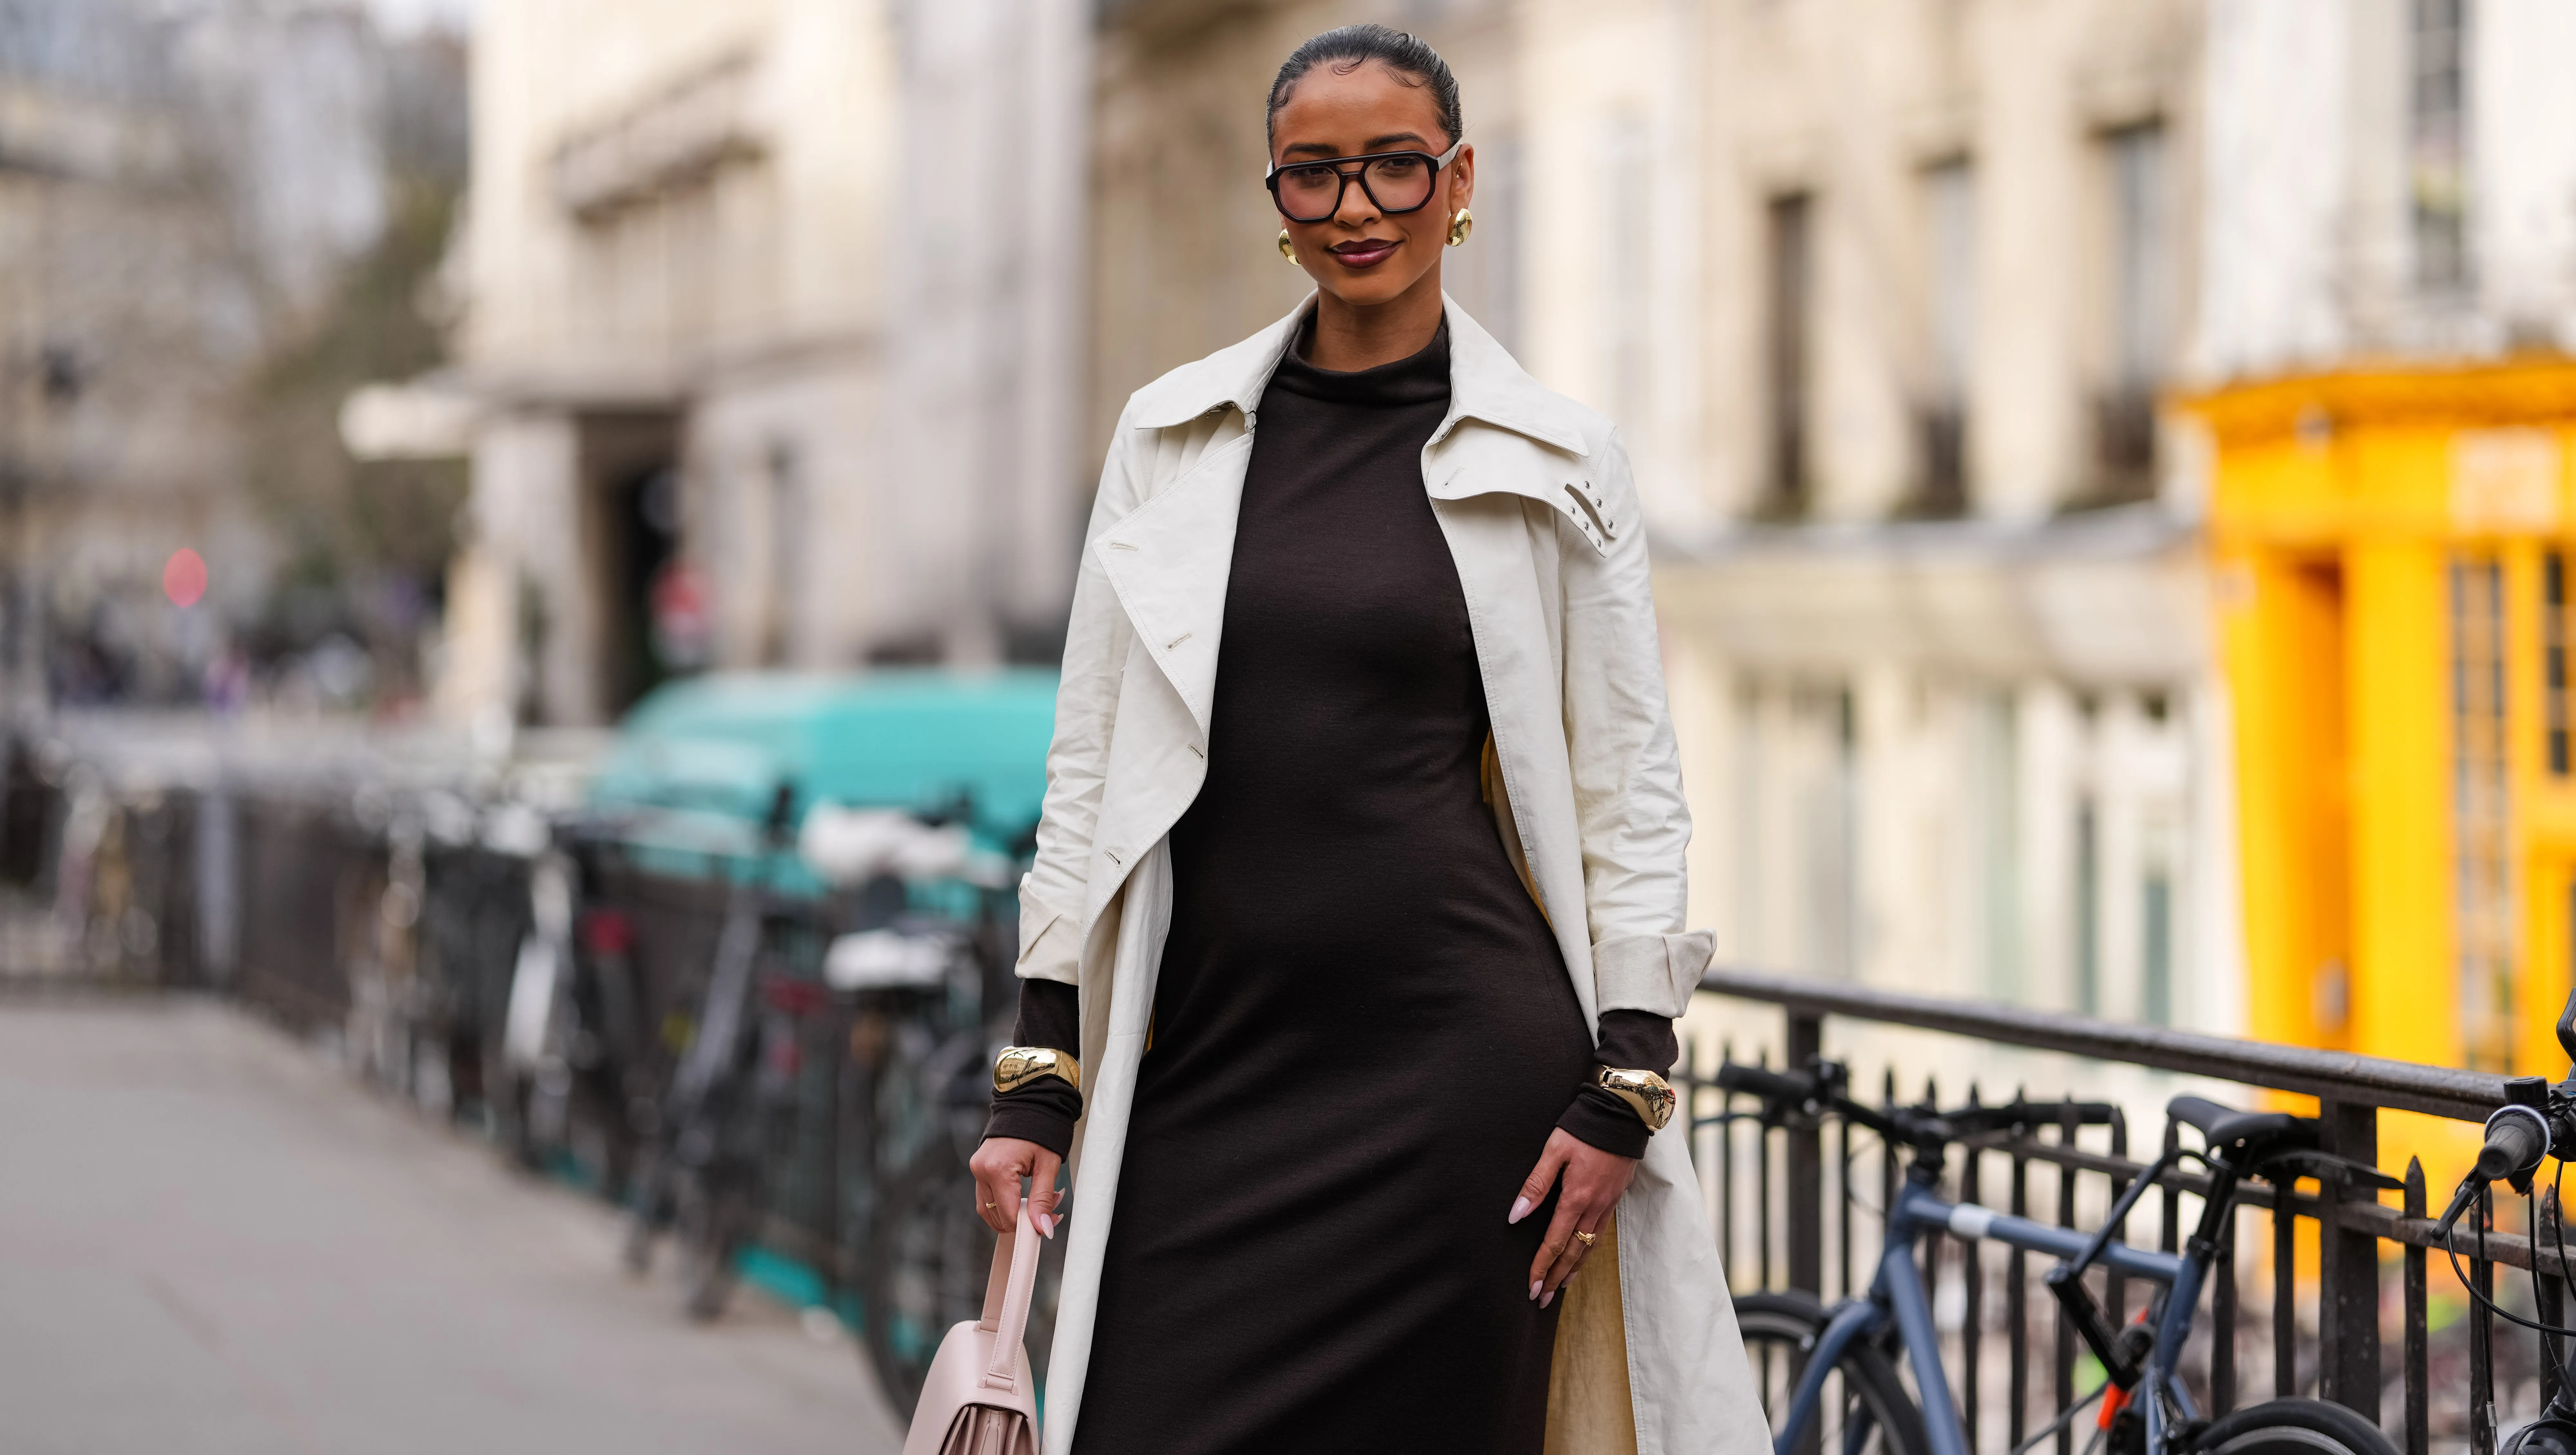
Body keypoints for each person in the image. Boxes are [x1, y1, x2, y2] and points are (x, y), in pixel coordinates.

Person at [969, 24, 1764, 1455]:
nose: (1356, 206)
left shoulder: (1557, 457)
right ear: (1275, 197)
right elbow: (1088, 763)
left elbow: (1627, 782)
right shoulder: (1172, 435)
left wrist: (1628, 1079)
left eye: (1395, 166)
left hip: (1455, 1085)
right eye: (1315, 173)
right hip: (1205, 1063)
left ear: (1459, 181)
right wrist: (1041, 1068)